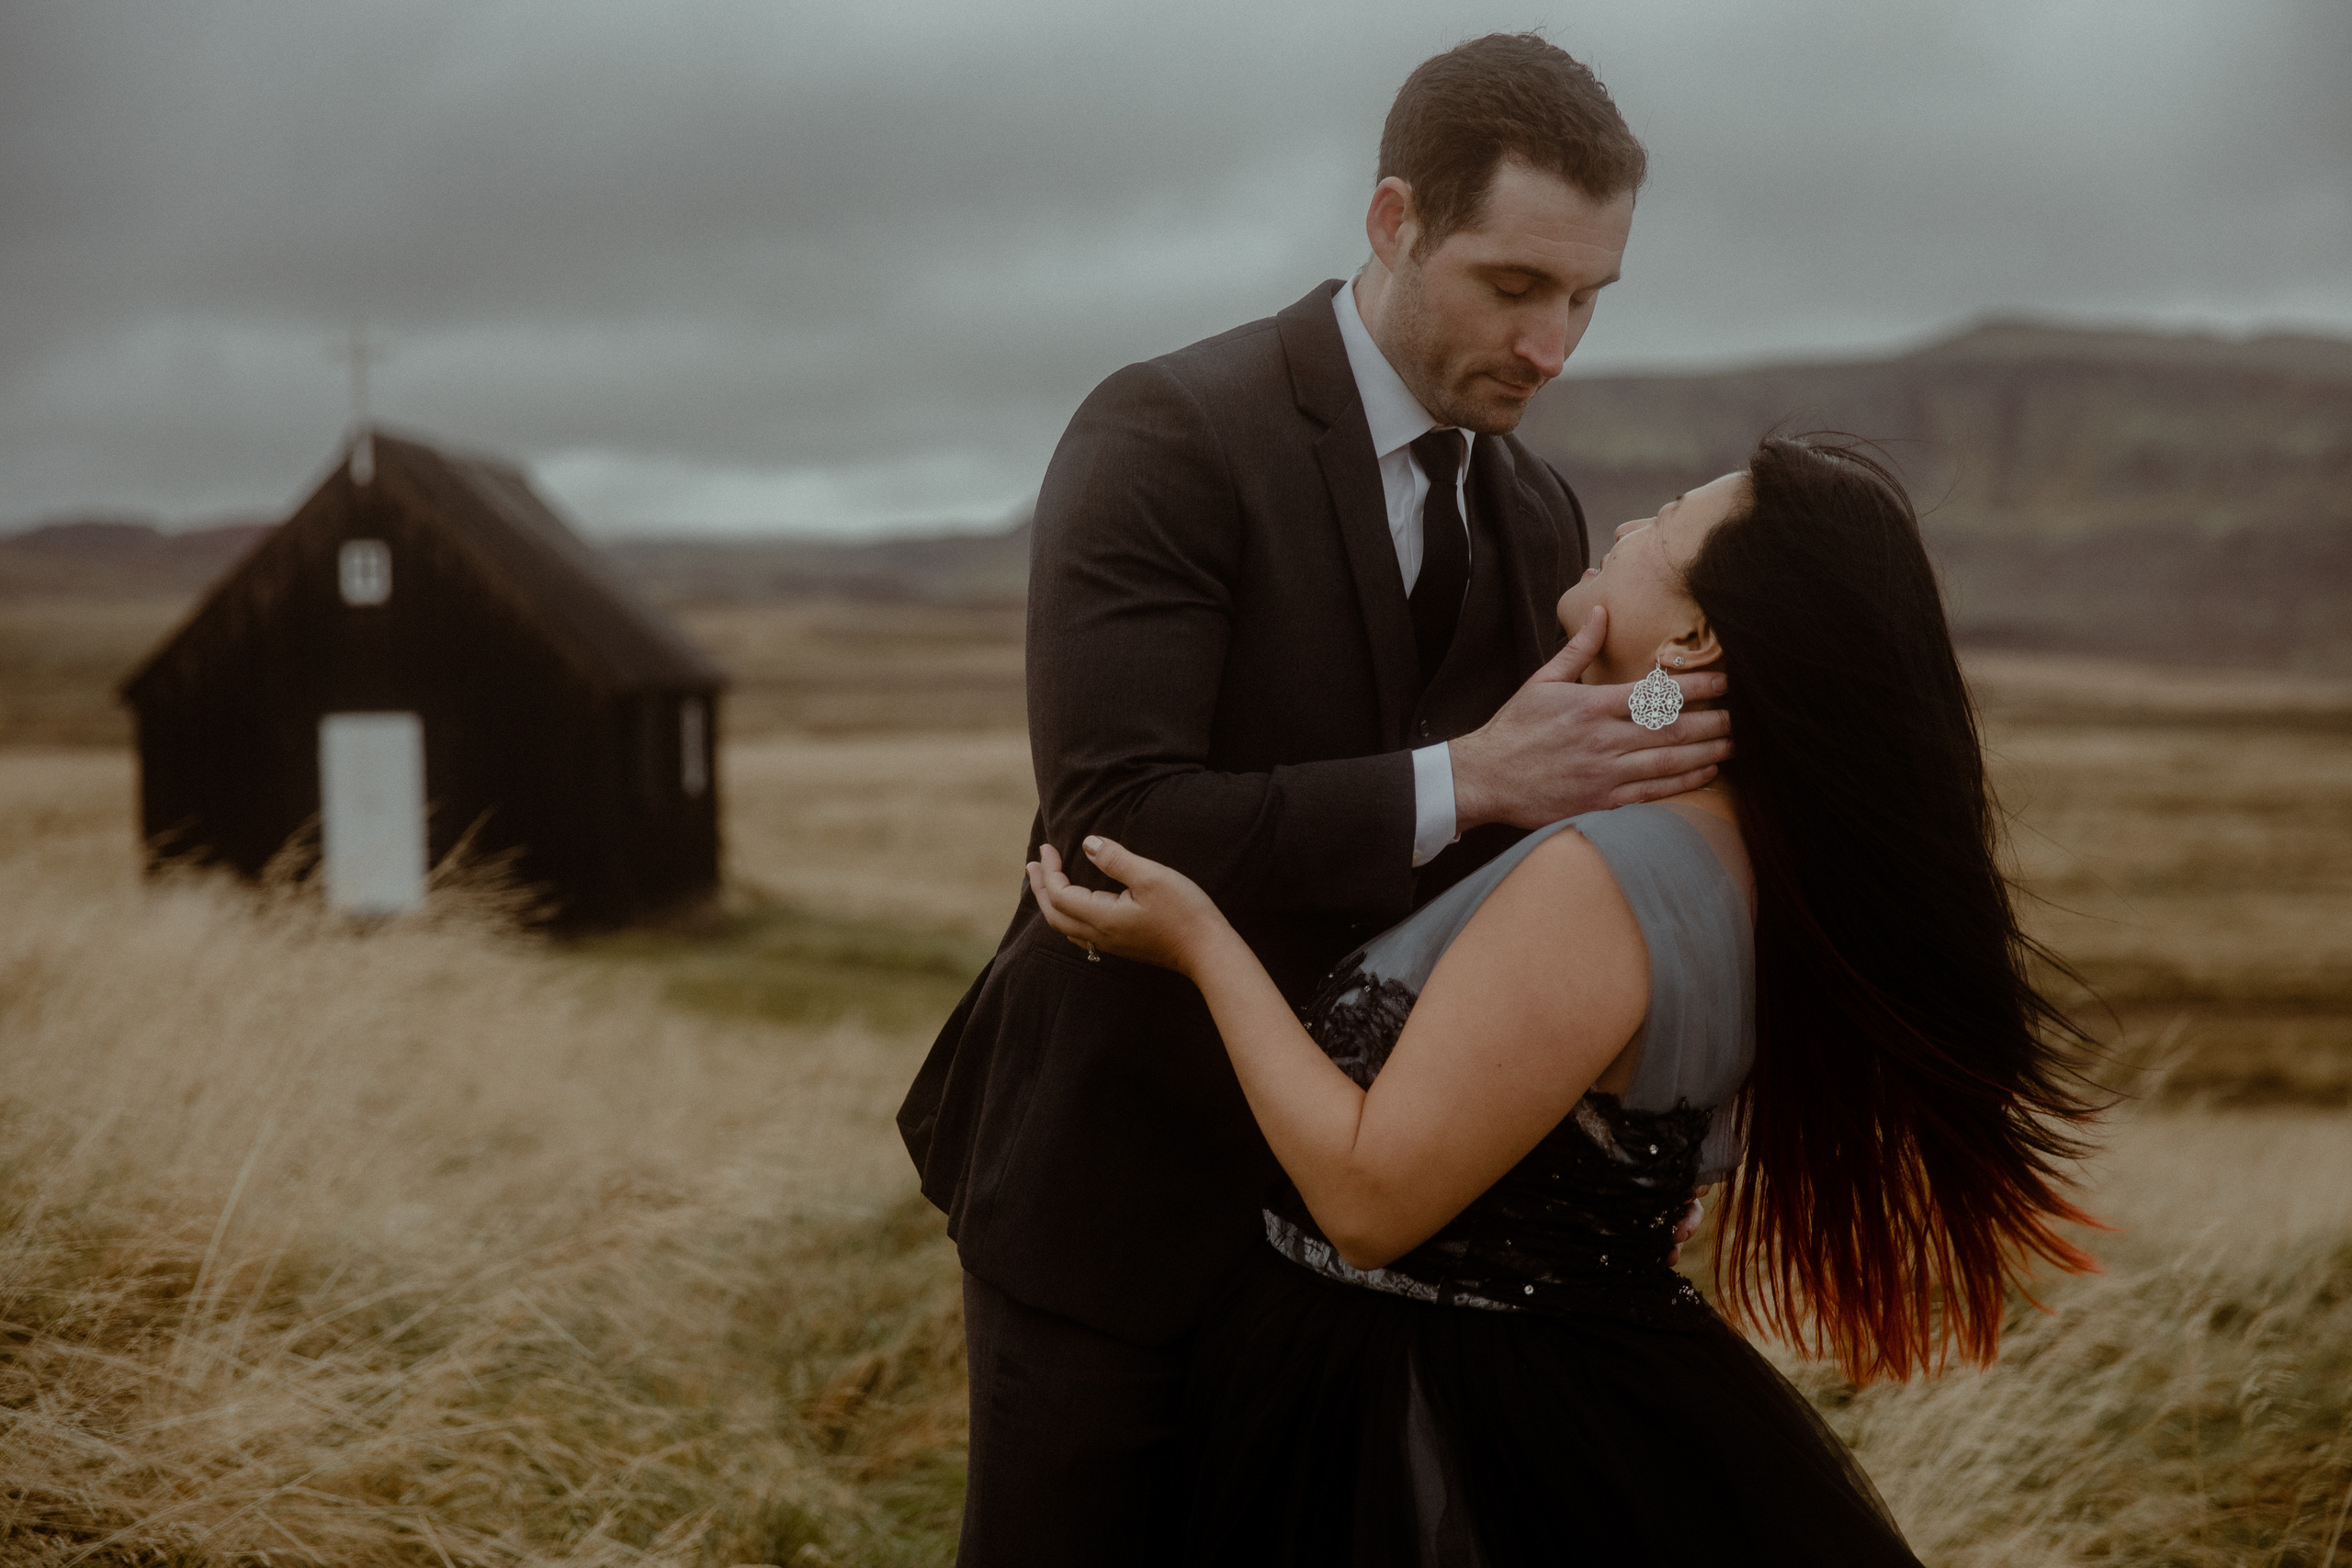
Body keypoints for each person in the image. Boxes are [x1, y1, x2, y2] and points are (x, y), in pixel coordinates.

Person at [896, 32, 1732, 1564]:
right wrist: (1468, 776)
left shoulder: (1537, 502)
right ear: (1394, 221)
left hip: (1375, 1237)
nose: (1554, 346)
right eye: (1514, 286)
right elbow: (1113, 817)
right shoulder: (1164, 434)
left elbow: (1578, 815)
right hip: (1118, 1194)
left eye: (1588, 299)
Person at [1027, 435, 2106, 1564]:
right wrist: (1588, 719)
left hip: (1420, 1411)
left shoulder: (1607, 879)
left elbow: (1365, 1198)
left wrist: (1203, 942)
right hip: (1566, 1391)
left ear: (1695, 637)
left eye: (1666, 518)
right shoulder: (1750, 861)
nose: (1629, 525)